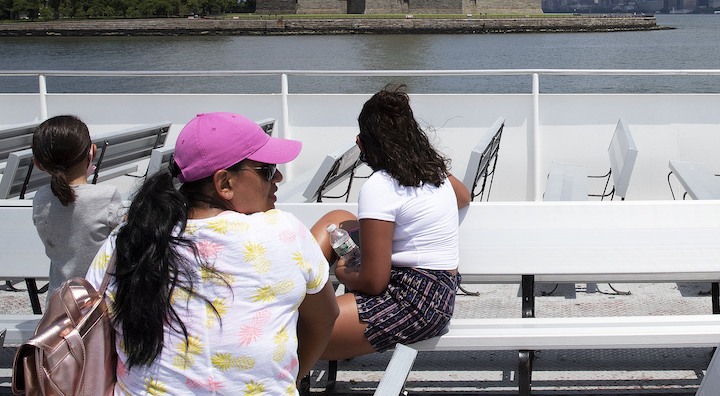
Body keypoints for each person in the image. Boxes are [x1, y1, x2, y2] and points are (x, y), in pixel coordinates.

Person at [86, 112, 339, 396]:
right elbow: (325, 317)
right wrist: (286, 379)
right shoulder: (283, 231)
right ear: (225, 184)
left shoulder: (128, 240)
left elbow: (97, 333)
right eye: (266, 169)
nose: (278, 177)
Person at [313, 85, 471, 360]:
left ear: (363, 144)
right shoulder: (436, 175)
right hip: (439, 296)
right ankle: (288, 292)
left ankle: (286, 299)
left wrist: (342, 271)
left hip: (411, 302)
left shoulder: (380, 186)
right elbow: (464, 197)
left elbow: (374, 283)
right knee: (336, 219)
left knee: (293, 331)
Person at [30, 115, 124, 293]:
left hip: (60, 306)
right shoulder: (106, 197)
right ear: (93, 152)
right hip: (101, 305)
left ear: (38, 164)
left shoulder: (41, 198)